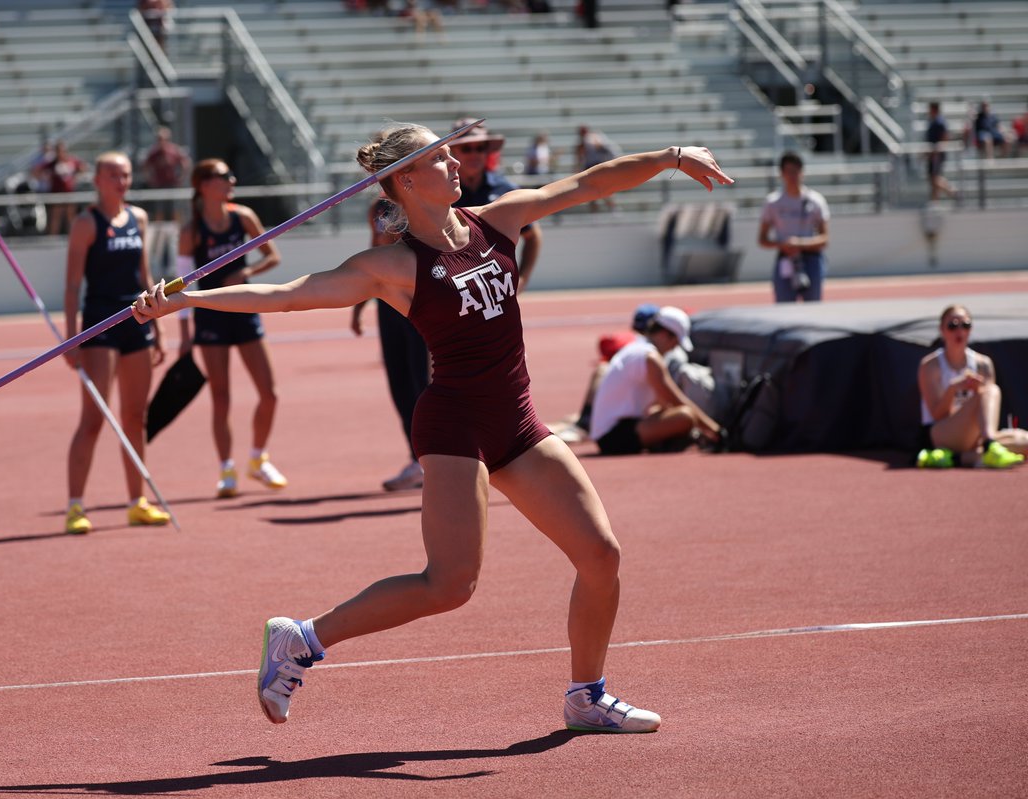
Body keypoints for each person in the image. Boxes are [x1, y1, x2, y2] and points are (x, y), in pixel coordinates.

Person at [133, 123, 733, 734]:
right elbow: (289, 295)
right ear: (406, 180)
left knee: (601, 555)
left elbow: (586, 183)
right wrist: (188, 300)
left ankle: (586, 696)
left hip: (517, 419)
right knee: (450, 585)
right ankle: (302, 639)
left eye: (451, 154)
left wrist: (671, 156)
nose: (455, 164)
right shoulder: (392, 265)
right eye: (439, 158)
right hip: (455, 426)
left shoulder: (497, 220)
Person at [63, 152, 171, 535]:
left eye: (125, 175)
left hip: (136, 321)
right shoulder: (86, 223)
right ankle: (75, 506)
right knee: (94, 418)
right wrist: (71, 337)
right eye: (113, 175)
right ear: (97, 180)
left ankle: (137, 502)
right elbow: (73, 285)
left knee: (135, 417)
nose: (121, 182)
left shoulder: (138, 218)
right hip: (100, 326)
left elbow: (145, 274)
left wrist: (158, 326)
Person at [175, 159, 288, 498]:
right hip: (211, 317)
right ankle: (226, 469)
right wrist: (184, 337)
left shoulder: (243, 217)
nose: (232, 180)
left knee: (269, 393)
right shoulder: (191, 231)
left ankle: (258, 458)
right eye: (225, 176)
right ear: (204, 185)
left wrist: (246, 274)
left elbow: (272, 255)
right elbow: (180, 287)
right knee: (220, 396)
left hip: (245, 309)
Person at [350, 193, 431, 491]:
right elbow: (375, 250)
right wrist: (360, 305)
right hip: (388, 303)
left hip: (415, 298)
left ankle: (440, 456)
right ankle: (417, 459)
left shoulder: (421, 201)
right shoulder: (379, 207)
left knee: (423, 382)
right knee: (400, 383)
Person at [588, 306, 722, 454]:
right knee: (686, 416)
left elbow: (663, 403)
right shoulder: (650, 358)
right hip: (613, 436)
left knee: (671, 413)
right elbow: (675, 399)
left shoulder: (636, 348)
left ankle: (666, 442)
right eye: (675, 342)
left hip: (613, 430)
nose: (674, 348)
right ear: (664, 335)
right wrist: (715, 430)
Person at [915, 304, 1026, 470]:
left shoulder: (983, 364)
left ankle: (958, 457)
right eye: (952, 325)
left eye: (965, 325)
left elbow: (988, 416)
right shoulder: (930, 366)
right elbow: (937, 415)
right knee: (991, 390)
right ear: (942, 330)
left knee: (1024, 441)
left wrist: (977, 392)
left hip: (975, 438)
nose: (959, 331)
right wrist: (953, 389)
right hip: (941, 434)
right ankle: (988, 448)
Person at [452, 118, 543, 287]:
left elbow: (532, 235)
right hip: (453, 287)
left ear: (487, 151)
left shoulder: (506, 190)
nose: (474, 154)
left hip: (498, 287)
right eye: (466, 148)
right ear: (453, 151)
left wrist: (522, 279)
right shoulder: (440, 192)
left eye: (480, 148)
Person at [757, 151, 830, 303]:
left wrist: (799, 243)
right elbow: (762, 239)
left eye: (796, 171)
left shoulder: (815, 200)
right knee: (784, 306)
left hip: (811, 260)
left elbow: (824, 238)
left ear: (802, 172)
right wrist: (783, 245)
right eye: (789, 171)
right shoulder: (773, 202)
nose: (793, 176)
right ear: (782, 174)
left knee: (813, 306)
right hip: (786, 259)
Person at [35, 139, 88, 236]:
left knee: (70, 217)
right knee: (55, 217)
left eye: (63, 151)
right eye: (58, 151)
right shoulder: (52, 163)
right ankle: (52, 238)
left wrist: (77, 176)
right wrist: (45, 177)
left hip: (69, 194)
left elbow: (83, 167)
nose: (61, 153)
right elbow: (37, 171)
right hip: (56, 194)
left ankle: (73, 237)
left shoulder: (72, 161)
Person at [141, 126, 191, 223]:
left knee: (175, 207)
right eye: (159, 139)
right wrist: (150, 179)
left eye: (164, 139)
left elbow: (184, 164)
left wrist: (181, 177)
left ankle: (178, 228)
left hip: (172, 184)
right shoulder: (154, 152)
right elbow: (145, 166)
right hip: (159, 184)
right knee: (159, 208)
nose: (161, 141)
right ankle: (159, 228)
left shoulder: (174, 150)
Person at [575, 126, 618, 210]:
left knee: (603, 189)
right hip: (589, 167)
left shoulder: (593, 139)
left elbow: (602, 149)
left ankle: (613, 209)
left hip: (596, 166)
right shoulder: (582, 144)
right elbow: (579, 158)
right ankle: (597, 212)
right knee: (591, 193)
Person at [924, 101, 957, 202]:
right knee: (932, 178)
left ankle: (952, 191)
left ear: (934, 109)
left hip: (936, 155)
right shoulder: (933, 121)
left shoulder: (940, 122)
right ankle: (934, 201)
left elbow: (945, 137)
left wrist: (937, 152)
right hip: (932, 153)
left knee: (934, 178)